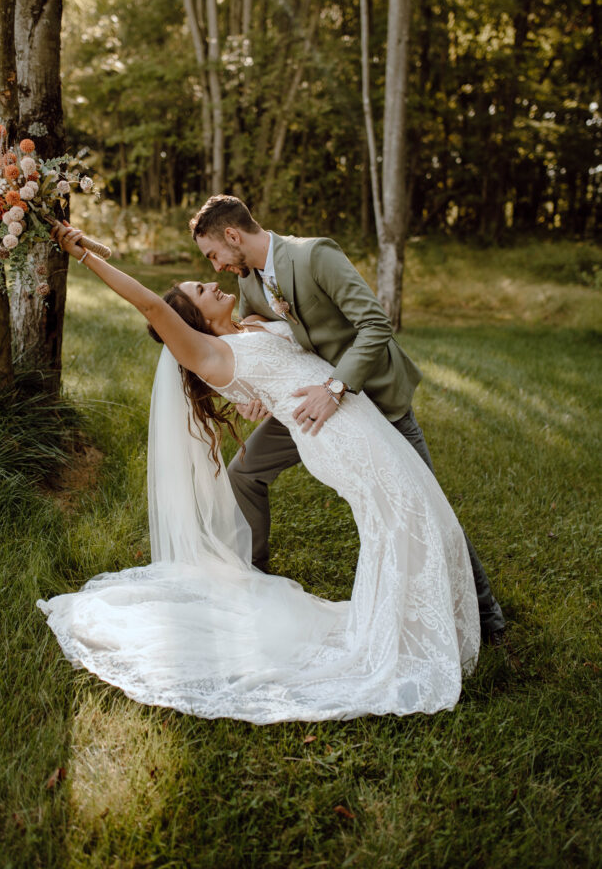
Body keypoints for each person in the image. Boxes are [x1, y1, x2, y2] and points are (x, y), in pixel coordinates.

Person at [36, 222, 479, 723]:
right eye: (201, 291)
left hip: (356, 415)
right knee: (400, 516)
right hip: (336, 437)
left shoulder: (249, 322)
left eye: (206, 276)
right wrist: (86, 256)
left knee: (409, 511)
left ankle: (416, 624)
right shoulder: (210, 354)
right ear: (192, 321)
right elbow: (153, 307)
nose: (212, 283)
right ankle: (404, 638)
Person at [190, 195, 505, 644]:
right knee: (244, 471)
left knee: (425, 503)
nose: (216, 265)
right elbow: (257, 338)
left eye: (213, 253)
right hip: (305, 401)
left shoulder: (314, 254)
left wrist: (335, 388)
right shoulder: (250, 283)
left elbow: (376, 325)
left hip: (369, 395)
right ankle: (255, 576)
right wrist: (253, 396)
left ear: (233, 236)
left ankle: (486, 615)